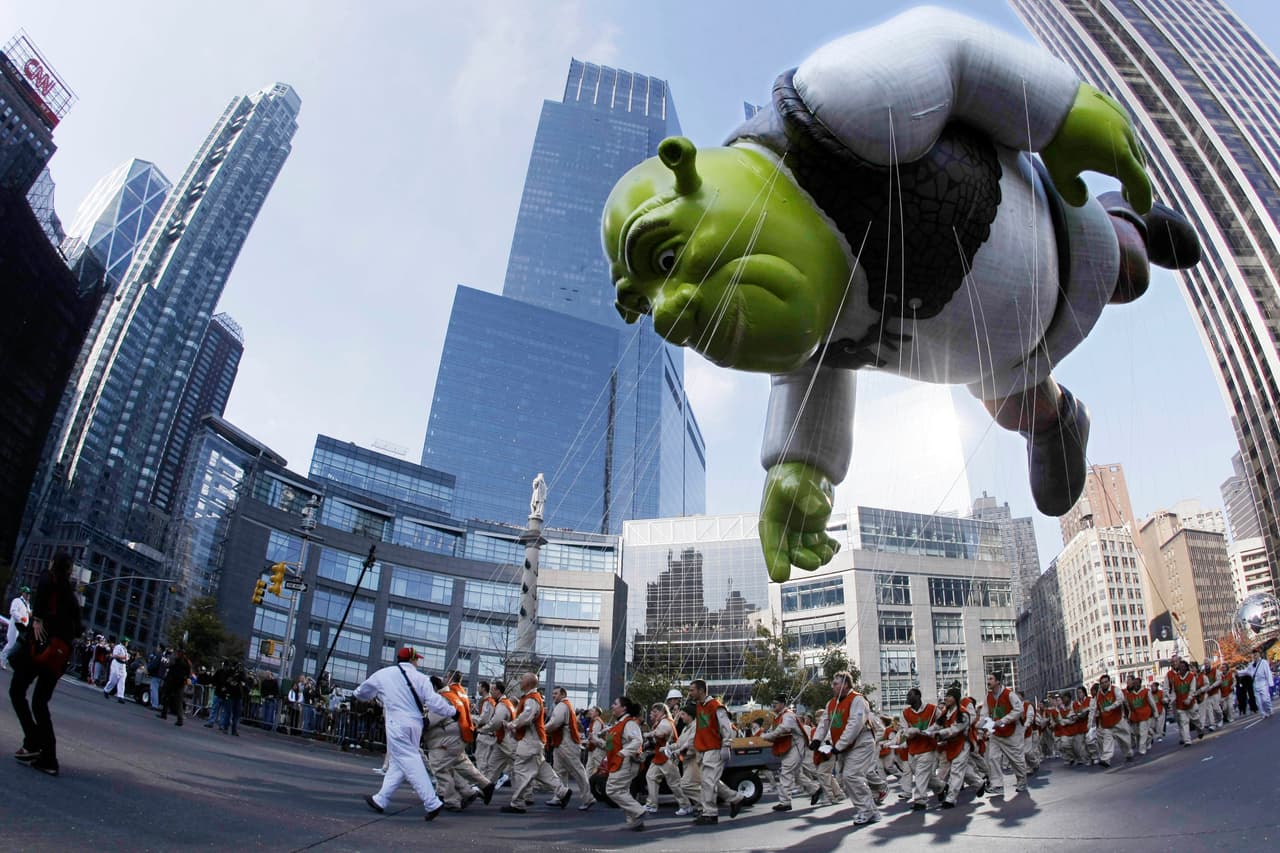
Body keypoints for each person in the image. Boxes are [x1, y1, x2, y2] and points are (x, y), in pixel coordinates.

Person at [356, 647, 455, 820]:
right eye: (417, 659)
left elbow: (361, 693)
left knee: (408, 759)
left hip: (396, 723)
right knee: (398, 762)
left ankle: (432, 802)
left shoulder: (383, 674)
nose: (418, 662)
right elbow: (434, 702)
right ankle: (381, 799)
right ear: (411, 660)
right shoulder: (421, 678)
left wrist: (373, 695)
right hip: (415, 724)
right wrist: (452, 711)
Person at [9, 553, 82, 776]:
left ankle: (32, 741)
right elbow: (78, 628)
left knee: (17, 691)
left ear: (52, 564)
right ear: (70, 571)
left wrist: (39, 618)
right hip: (58, 656)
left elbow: (42, 587)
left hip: (40, 648)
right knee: (40, 703)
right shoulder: (71, 595)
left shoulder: (47, 579)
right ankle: (48, 757)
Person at [812, 670, 878, 826]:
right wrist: (816, 739)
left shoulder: (858, 700)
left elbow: (855, 724)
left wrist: (838, 746)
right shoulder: (831, 703)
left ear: (846, 684)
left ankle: (866, 811)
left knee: (852, 776)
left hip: (861, 743)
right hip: (845, 747)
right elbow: (824, 723)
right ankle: (871, 811)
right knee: (846, 779)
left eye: (835, 683)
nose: (832, 686)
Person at [502, 672, 570, 813]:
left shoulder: (531, 699)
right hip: (535, 741)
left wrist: (511, 725)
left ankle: (518, 803)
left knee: (521, 770)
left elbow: (526, 717)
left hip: (529, 741)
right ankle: (562, 791)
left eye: (522, 679)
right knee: (542, 770)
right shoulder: (532, 698)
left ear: (528, 683)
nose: (520, 682)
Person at [426, 675, 494, 812]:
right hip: (458, 737)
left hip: (446, 740)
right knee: (460, 764)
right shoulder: (453, 694)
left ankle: (452, 800)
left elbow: (429, 721)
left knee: (439, 767)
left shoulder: (442, 698)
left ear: (433, 688)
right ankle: (482, 787)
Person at [688, 678, 745, 825]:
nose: (690, 693)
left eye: (692, 690)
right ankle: (735, 798)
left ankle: (710, 814)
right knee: (709, 781)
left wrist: (726, 745)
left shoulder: (716, 706)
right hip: (703, 748)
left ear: (701, 690)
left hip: (713, 748)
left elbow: (726, 728)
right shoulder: (700, 705)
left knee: (708, 781)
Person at [761, 693, 820, 812]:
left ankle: (785, 802)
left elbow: (783, 728)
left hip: (795, 748)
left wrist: (768, 736)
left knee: (785, 772)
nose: (773, 705)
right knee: (796, 774)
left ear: (782, 704)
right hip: (790, 748)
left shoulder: (788, 715)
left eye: (776, 703)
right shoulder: (781, 716)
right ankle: (814, 789)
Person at [546, 686, 595, 811]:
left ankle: (588, 798)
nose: (553, 696)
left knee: (576, 770)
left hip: (566, 742)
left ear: (563, 694)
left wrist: (542, 729)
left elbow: (555, 722)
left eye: (556, 693)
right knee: (559, 770)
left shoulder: (562, 706)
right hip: (562, 742)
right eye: (553, 693)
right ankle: (560, 796)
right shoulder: (564, 705)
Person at [602, 695, 647, 831]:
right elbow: (610, 746)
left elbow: (637, 741)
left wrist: (624, 752)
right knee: (622, 790)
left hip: (625, 762)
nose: (612, 706)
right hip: (620, 761)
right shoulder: (620, 724)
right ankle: (634, 821)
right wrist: (597, 741)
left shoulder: (629, 723)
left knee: (612, 790)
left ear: (624, 708)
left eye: (615, 704)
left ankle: (638, 811)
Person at [983, 672, 1027, 794]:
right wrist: (987, 726)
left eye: (991, 679)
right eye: (988, 679)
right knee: (992, 758)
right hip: (996, 734)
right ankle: (997, 785)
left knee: (1016, 760)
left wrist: (1003, 720)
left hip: (1012, 733)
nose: (988, 681)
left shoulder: (1010, 694)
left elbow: (1019, 710)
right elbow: (985, 714)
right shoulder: (988, 697)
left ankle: (1022, 780)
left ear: (998, 681)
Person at [933, 688, 973, 809]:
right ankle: (979, 783)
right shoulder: (945, 713)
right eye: (946, 696)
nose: (946, 698)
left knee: (956, 771)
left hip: (962, 745)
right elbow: (935, 726)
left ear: (955, 698)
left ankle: (950, 799)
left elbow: (955, 729)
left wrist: (940, 734)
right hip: (949, 745)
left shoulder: (964, 713)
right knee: (961, 771)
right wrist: (925, 732)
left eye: (949, 696)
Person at [478, 681, 516, 786]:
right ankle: (485, 788)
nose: (490, 692)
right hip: (503, 741)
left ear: (498, 691)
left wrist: (482, 729)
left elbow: (495, 722)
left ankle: (526, 793)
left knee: (519, 766)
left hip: (505, 740)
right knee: (492, 766)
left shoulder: (502, 705)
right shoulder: (506, 703)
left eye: (492, 690)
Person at [1090, 674, 1131, 766]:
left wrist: (1111, 707)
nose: (1104, 684)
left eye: (1105, 682)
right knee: (1107, 741)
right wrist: (1094, 716)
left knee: (1125, 740)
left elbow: (1120, 700)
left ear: (1109, 682)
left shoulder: (1115, 689)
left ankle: (1128, 753)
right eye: (1102, 683)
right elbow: (1094, 707)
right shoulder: (1098, 695)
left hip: (1118, 720)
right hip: (1107, 723)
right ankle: (1106, 759)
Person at [1165, 658, 1200, 745]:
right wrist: (1170, 698)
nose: (1174, 663)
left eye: (1176, 661)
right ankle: (1185, 738)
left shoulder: (1190, 674)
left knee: (1195, 718)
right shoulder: (1169, 675)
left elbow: (1193, 687)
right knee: (1181, 720)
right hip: (1177, 701)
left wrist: (1190, 698)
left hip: (1190, 701)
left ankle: (1200, 729)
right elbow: (1167, 688)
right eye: (1172, 662)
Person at [157, 649, 192, 725]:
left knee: (166, 697)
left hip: (172, 681)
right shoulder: (187, 662)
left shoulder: (175, 660)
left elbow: (168, 665)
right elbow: (189, 673)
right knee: (179, 701)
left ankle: (164, 714)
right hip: (181, 683)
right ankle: (180, 719)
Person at [1, 585, 31, 670]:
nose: (28, 595)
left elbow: (28, 613)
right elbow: (13, 611)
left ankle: (5, 660)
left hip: (22, 627)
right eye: (27, 593)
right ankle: (2, 660)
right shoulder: (17, 600)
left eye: (29, 593)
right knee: (11, 643)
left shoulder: (27, 603)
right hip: (15, 625)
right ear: (23, 593)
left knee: (16, 645)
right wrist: (21, 617)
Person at [1245, 649, 1274, 717]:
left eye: (1256, 654)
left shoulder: (1264, 662)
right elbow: (1246, 671)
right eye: (1254, 655)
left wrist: (1270, 683)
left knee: (1265, 699)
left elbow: (1268, 672)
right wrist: (1238, 672)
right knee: (1258, 701)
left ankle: (1269, 709)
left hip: (1263, 683)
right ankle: (1263, 713)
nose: (1255, 656)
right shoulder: (1251, 664)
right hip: (1255, 684)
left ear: (1259, 654)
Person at [102, 637, 130, 704]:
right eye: (126, 642)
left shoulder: (125, 649)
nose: (127, 643)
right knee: (113, 680)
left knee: (122, 681)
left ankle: (120, 697)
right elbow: (114, 655)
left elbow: (126, 657)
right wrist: (123, 657)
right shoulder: (118, 647)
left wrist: (127, 658)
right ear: (123, 642)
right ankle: (106, 690)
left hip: (123, 665)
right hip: (116, 664)